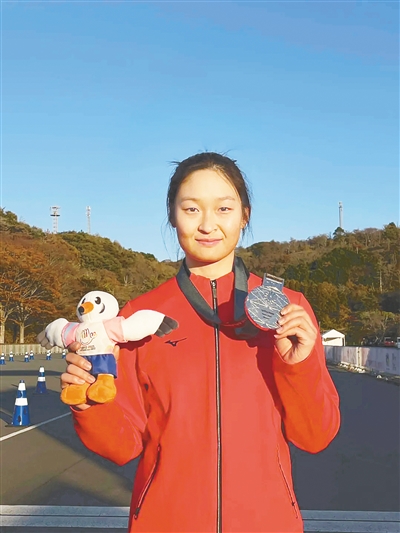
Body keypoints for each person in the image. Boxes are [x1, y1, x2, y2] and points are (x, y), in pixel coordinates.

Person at [62, 152, 340, 533]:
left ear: (244, 215)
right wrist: (91, 404)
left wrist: (299, 366)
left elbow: (315, 436)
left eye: (223, 208)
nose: (208, 224)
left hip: (267, 521)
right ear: (172, 215)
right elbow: (122, 446)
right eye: (191, 209)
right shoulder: (137, 319)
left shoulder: (288, 310)